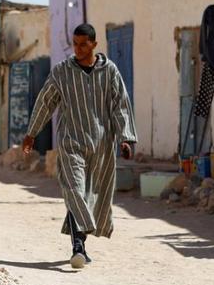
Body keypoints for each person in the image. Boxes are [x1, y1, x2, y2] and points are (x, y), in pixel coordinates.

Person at [23, 24, 137, 269]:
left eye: (83, 44)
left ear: (94, 44)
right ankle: (77, 247)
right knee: (74, 189)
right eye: (75, 44)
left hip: (102, 145)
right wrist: (32, 132)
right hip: (71, 142)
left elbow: (121, 106)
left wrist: (125, 138)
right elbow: (45, 101)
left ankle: (81, 245)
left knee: (91, 196)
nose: (78, 49)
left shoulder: (110, 71)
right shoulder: (62, 72)